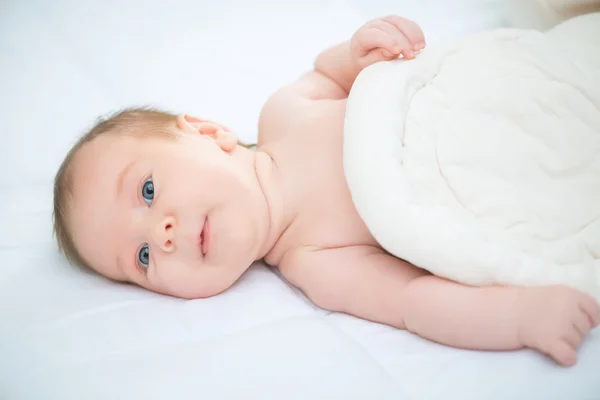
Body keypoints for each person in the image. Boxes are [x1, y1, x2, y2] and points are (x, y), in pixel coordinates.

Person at [53, 15, 600, 367]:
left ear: (205, 131)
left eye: (148, 191)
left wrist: (362, 50)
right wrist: (522, 318)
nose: (163, 233)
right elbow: (413, 303)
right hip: (509, 182)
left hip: (491, 99)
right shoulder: (314, 264)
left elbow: (335, 75)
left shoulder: (284, 113)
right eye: (142, 256)